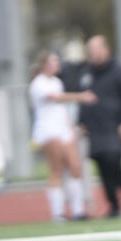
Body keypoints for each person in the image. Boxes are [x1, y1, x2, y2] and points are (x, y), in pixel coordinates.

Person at [28, 50, 94, 221]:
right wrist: (81, 96)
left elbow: (61, 107)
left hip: (63, 129)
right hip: (49, 130)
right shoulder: (39, 84)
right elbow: (56, 98)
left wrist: (71, 128)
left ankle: (78, 210)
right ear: (45, 65)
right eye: (54, 62)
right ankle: (58, 213)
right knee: (56, 170)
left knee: (75, 167)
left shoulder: (57, 81)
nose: (57, 65)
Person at [76, 35, 121, 217]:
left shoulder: (120, 70)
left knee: (113, 161)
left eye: (95, 50)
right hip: (94, 129)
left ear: (105, 49)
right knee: (102, 167)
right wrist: (81, 121)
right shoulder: (87, 73)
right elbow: (83, 99)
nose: (92, 54)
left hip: (114, 126)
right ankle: (114, 206)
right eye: (90, 51)